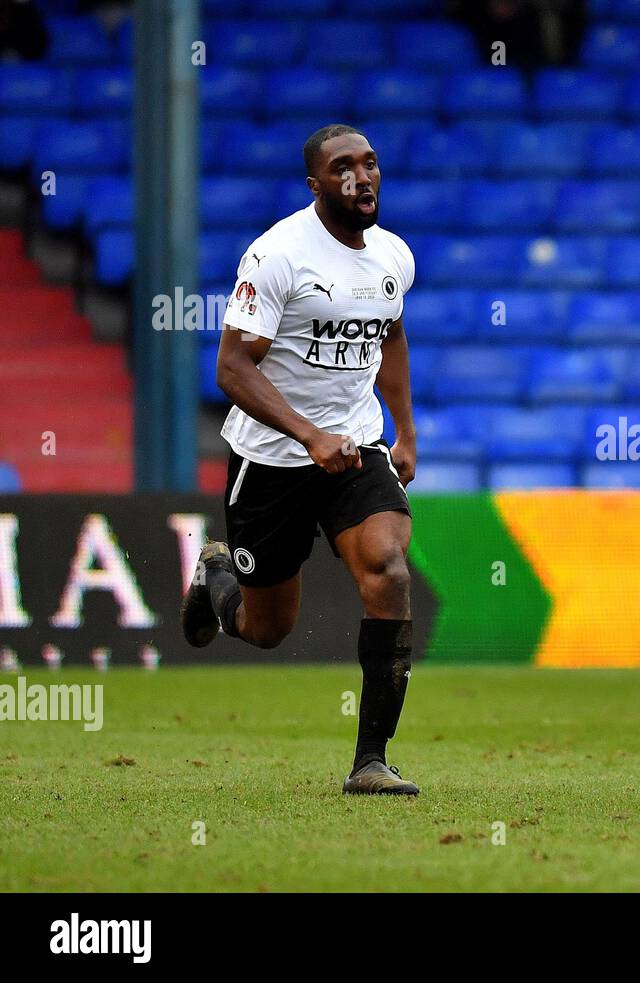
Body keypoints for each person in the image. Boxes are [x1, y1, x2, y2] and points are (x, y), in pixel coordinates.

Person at [181, 124, 422, 796]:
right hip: (273, 461)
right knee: (267, 628)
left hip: (356, 446)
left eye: (370, 162)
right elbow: (231, 366)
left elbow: (392, 335)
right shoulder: (278, 256)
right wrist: (309, 434)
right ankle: (215, 579)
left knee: (388, 570)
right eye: (343, 166)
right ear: (315, 184)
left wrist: (404, 431)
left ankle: (370, 760)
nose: (361, 176)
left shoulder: (393, 257)